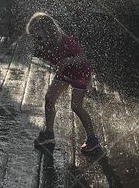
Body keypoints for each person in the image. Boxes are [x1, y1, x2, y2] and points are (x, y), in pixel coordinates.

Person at [27, 12, 99, 155]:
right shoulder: (44, 43)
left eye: (38, 34)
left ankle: (92, 140)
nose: (36, 38)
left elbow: (82, 57)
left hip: (80, 73)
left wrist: (66, 61)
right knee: (49, 99)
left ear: (48, 30)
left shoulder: (64, 41)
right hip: (64, 73)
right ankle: (49, 134)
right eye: (34, 35)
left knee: (76, 106)